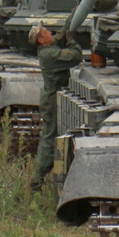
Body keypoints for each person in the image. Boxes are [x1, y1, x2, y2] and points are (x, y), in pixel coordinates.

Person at [28, 25, 82, 194]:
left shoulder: (48, 47)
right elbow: (76, 56)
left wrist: (72, 20)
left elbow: (58, 36)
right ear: (41, 40)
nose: (50, 33)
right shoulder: (49, 54)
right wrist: (71, 39)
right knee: (50, 139)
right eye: (46, 32)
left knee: (51, 137)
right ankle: (36, 181)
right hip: (52, 101)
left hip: (54, 97)